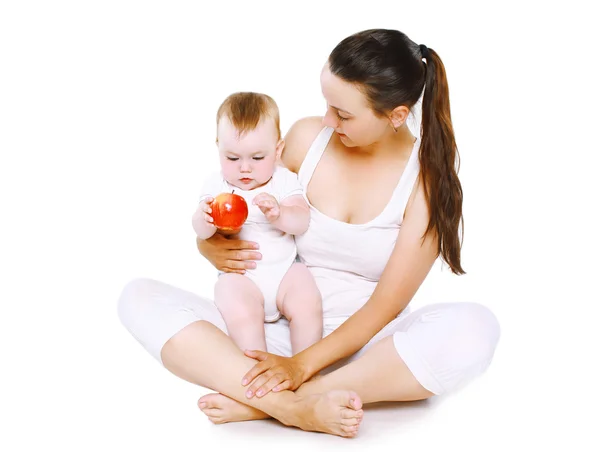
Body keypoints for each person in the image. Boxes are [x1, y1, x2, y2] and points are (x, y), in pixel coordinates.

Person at [118, 28, 501, 439]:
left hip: (368, 352)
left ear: (397, 115)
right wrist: (208, 245)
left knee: (476, 328)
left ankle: (273, 400)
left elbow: (386, 306)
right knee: (137, 296)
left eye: (344, 114)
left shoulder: (425, 183)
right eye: (328, 105)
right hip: (275, 334)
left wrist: (301, 368)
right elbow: (245, 202)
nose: (327, 120)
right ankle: (290, 403)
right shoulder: (306, 140)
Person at [191, 91, 322, 355]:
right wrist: (204, 219)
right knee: (235, 305)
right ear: (219, 148)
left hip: (285, 271)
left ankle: (307, 366)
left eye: (257, 158)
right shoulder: (216, 186)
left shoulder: (283, 180)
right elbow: (202, 232)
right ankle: (255, 368)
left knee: (308, 303)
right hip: (242, 277)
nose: (245, 168)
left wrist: (280, 214)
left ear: (278, 150)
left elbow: (302, 221)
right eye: (232, 158)